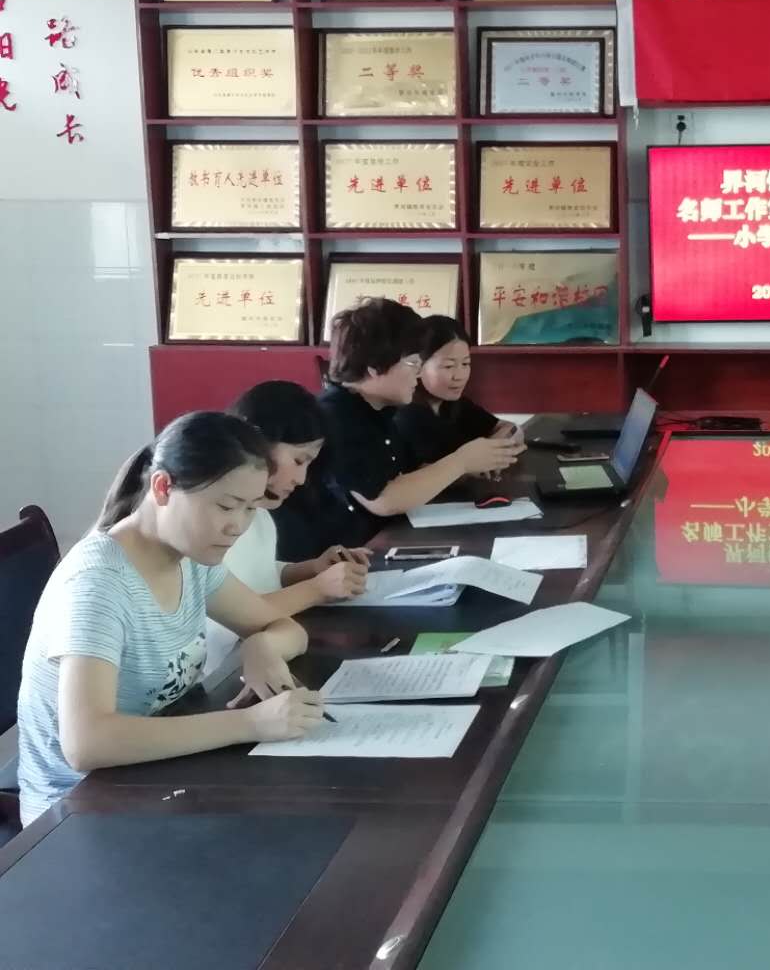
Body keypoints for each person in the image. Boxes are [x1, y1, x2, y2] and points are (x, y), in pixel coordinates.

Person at [16, 412, 326, 825]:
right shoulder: (98, 583)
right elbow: (87, 743)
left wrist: (262, 645)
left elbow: (286, 628)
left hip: (154, 777)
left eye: (251, 508)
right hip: (76, 810)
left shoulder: (190, 558)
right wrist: (250, 723)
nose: (237, 526)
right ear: (163, 487)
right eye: (226, 506)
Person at [276, 298, 524, 558]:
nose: (418, 374)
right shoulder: (338, 416)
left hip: (373, 547)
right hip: (331, 562)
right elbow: (385, 499)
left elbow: (408, 475)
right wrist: (462, 461)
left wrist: (470, 465)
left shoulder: (380, 409)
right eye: (413, 364)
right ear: (374, 368)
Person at [206, 380, 373, 677]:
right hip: (225, 672)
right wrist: (317, 589)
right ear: (258, 443)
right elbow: (235, 617)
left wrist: (309, 569)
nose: (301, 478)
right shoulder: (215, 526)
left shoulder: (260, 514)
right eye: (299, 460)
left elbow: (256, 573)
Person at [393, 315, 524, 468]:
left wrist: (493, 450)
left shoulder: (454, 403)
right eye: (448, 366)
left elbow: (511, 428)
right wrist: (484, 457)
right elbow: (426, 474)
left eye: (465, 363)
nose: (460, 376)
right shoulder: (405, 416)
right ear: (417, 366)